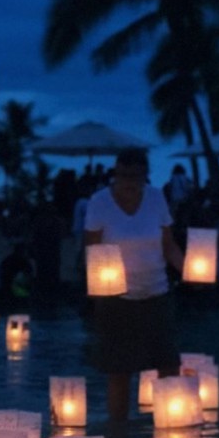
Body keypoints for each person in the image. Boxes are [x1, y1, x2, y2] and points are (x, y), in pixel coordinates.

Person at [83, 147, 185, 421]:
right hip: (117, 298)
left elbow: (168, 245)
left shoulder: (156, 199)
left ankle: (170, 430)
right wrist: (96, 293)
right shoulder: (99, 202)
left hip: (157, 293)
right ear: (115, 174)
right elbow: (92, 250)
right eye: (123, 175)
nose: (128, 182)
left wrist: (191, 271)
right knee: (119, 371)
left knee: (168, 364)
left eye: (135, 176)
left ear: (145, 177)